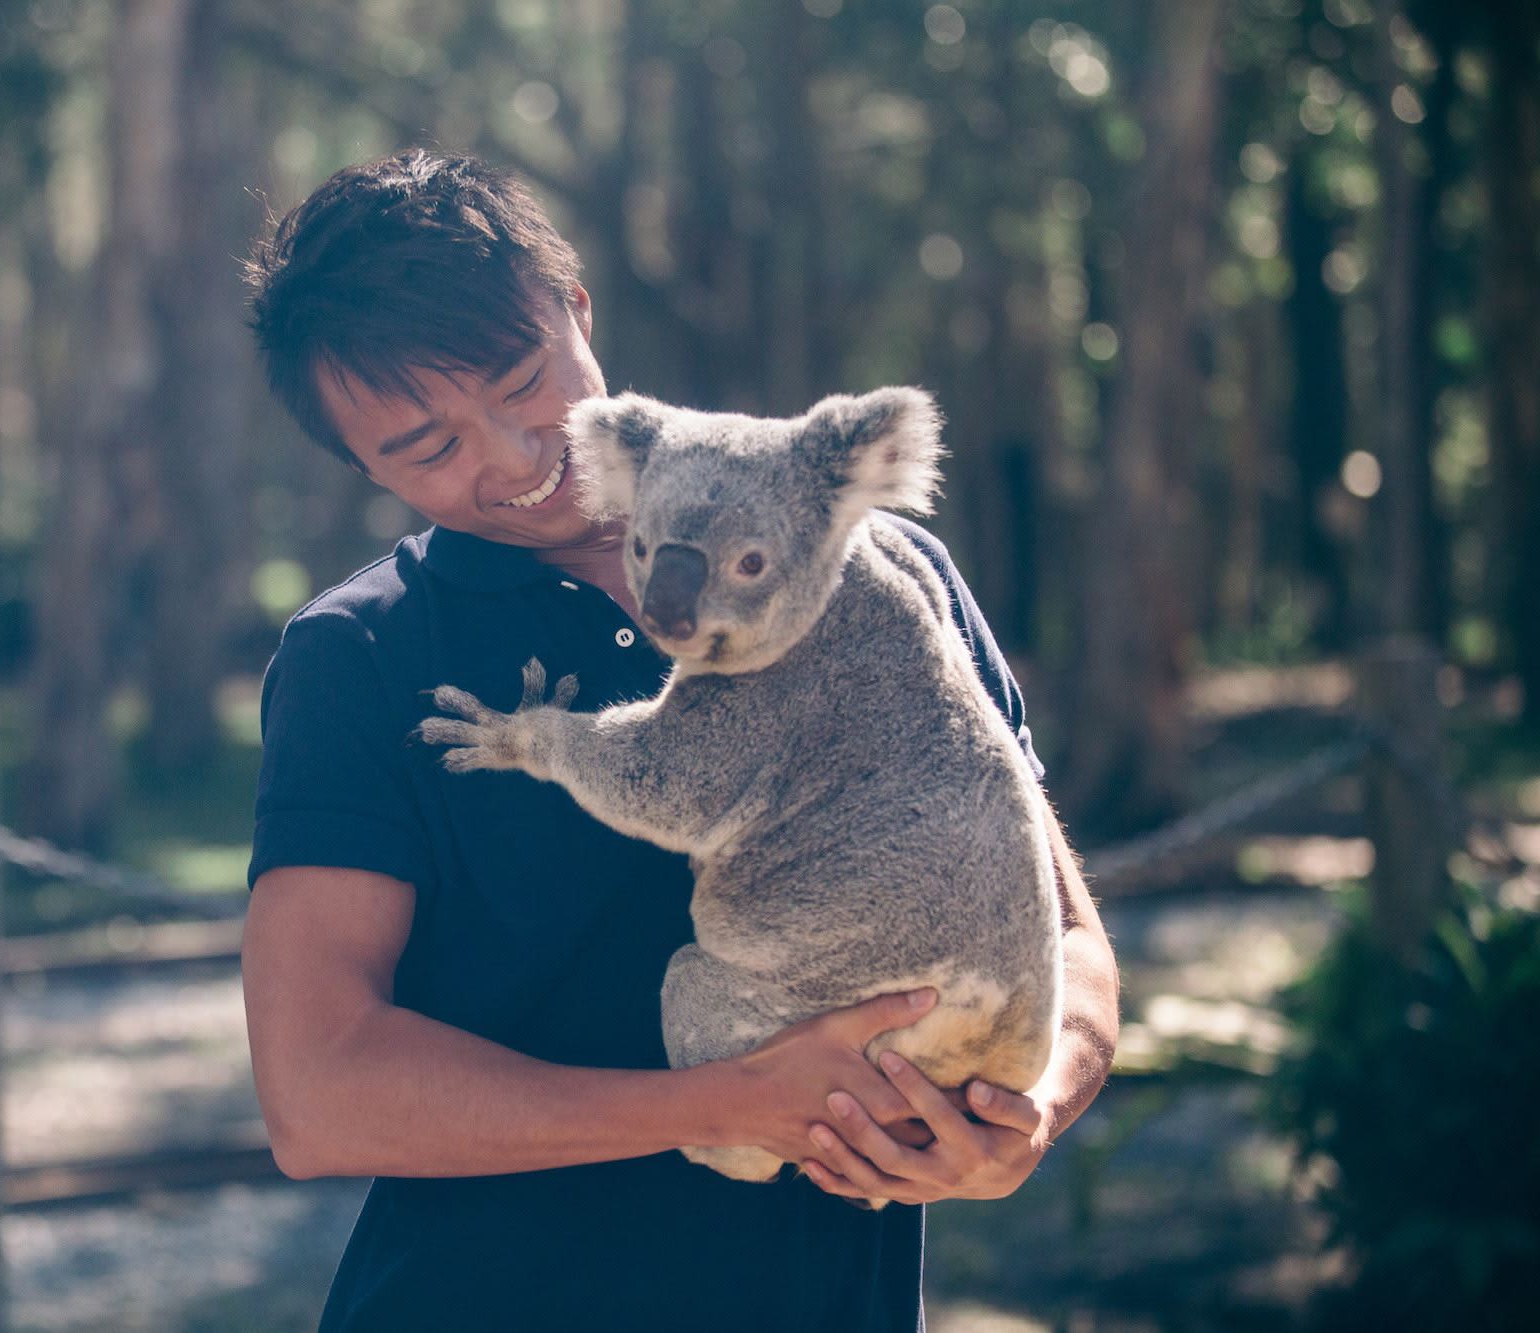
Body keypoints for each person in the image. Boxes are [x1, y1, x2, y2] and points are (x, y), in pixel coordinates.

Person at [240, 149, 1119, 1332]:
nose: (511, 455)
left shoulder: (876, 568)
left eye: (521, 381)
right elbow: (319, 1095)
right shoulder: (362, 656)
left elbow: (1061, 927)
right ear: (359, 466)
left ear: (577, 310)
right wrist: (721, 1103)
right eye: (428, 448)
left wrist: (1031, 1109)